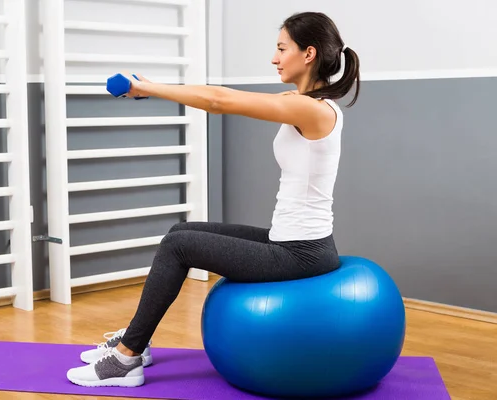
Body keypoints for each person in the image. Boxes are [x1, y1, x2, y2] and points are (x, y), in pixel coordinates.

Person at [66, 11, 360, 388]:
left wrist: (149, 87)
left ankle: (126, 358)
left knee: (179, 246)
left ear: (308, 54)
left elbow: (219, 100)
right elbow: (222, 99)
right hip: (288, 240)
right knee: (181, 231)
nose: (274, 58)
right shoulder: (302, 102)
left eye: (281, 48)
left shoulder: (311, 109)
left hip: (302, 252)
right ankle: (138, 340)